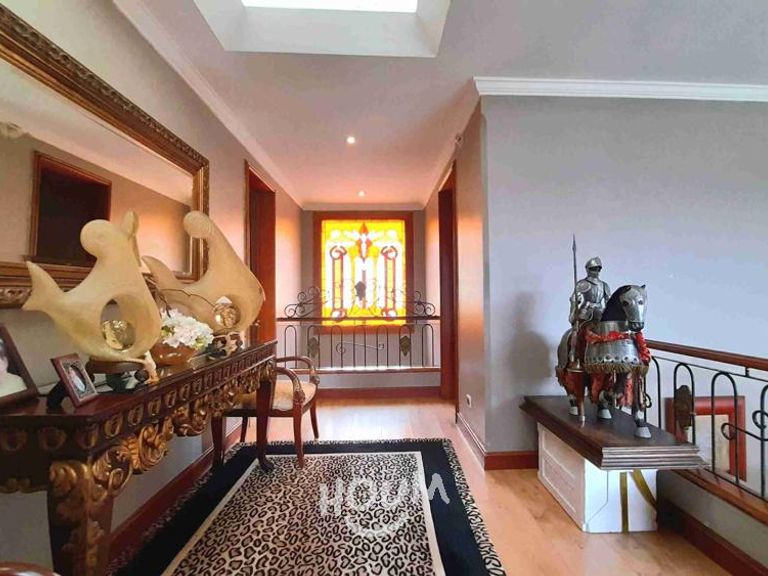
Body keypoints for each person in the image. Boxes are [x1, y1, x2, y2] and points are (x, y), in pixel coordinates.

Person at [569, 257, 612, 326]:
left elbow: (609, 302)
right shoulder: (583, 283)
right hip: (586, 310)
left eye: (598, 269)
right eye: (594, 269)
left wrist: (608, 314)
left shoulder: (604, 285)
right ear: (588, 269)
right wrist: (573, 312)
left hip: (600, 311)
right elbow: (573, 299)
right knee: (579, 327)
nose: (596, 271)